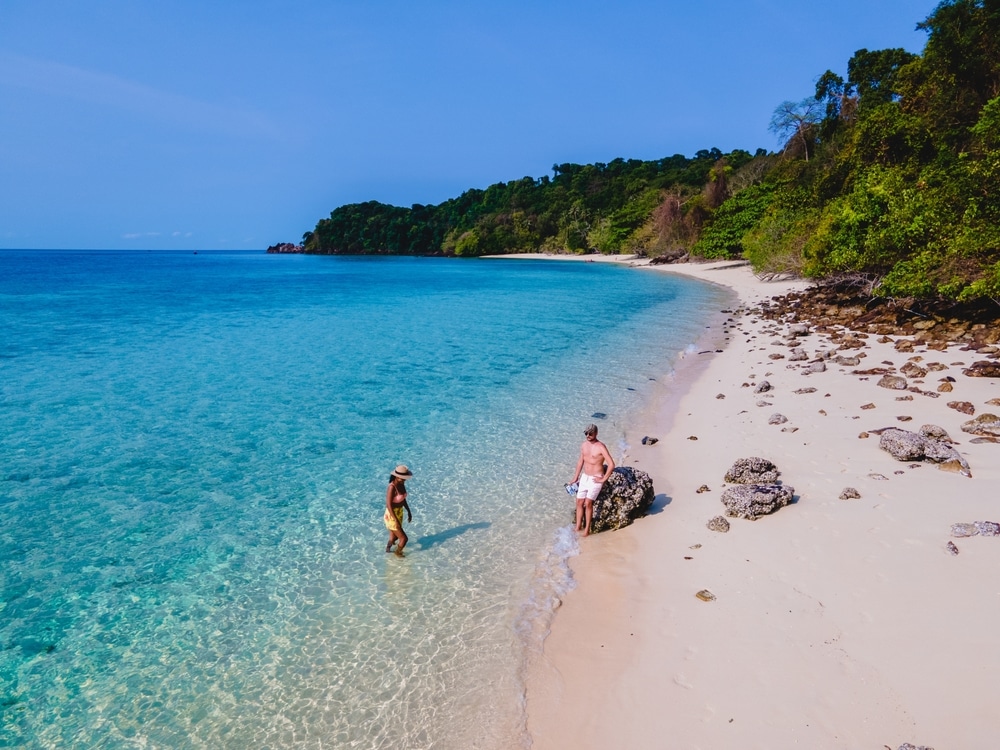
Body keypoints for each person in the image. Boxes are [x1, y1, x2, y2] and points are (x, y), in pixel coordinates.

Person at [569, 424, 615, 536]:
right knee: (579, 502)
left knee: (588, 503)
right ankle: (578, 526)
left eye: (590, 433)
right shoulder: (584, 445)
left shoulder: (601, 447)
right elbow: (581, 462)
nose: (588, 435)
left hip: (596, 478)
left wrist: (604, 479)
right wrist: (575, 477)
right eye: (586, 433)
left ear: (596, 433)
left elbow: (611, 464)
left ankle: (587, 530)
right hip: (585, 477)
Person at [384, 464, 413, 556]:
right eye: (402, 478)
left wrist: (408, 511)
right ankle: (397, 554)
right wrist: (395, 519)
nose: (404, 479)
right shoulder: (392, 487)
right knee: (404, 538)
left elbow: (403, 499)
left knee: (394, 537)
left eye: (404, 478)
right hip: (392, 514)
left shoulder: (401, 484)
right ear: (396, 476)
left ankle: (388, 549)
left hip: (399, 512)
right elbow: (388, 504)